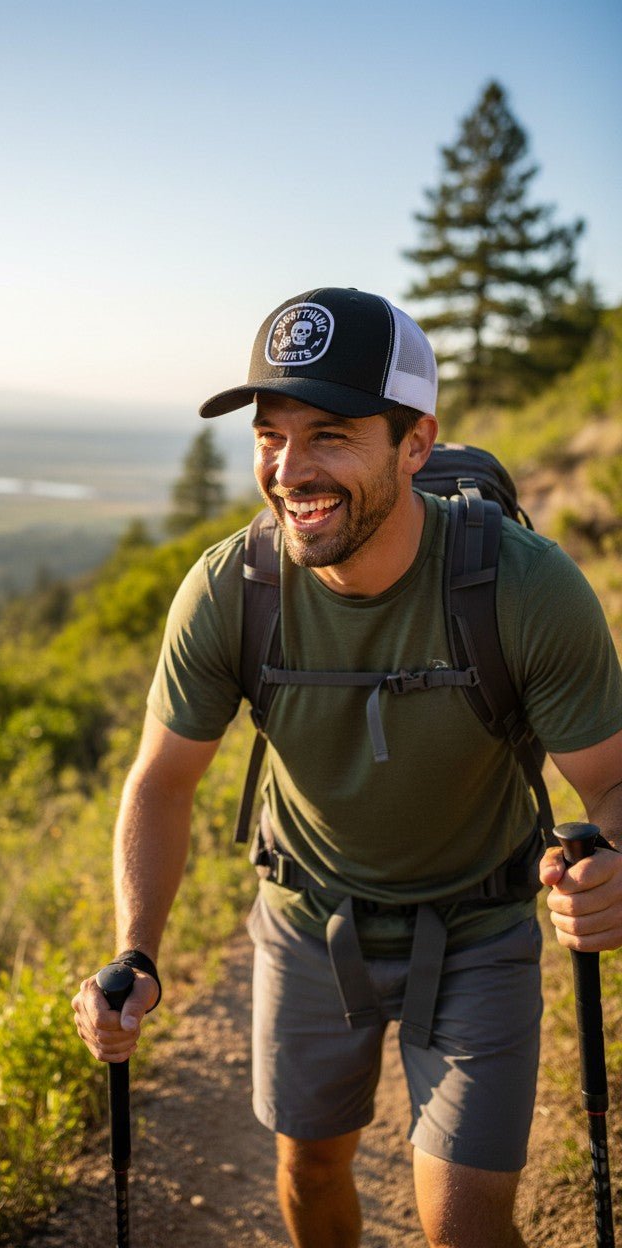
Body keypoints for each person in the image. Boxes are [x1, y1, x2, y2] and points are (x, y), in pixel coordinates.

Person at [72, 286, 622, 1248]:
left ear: (415, 444)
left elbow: (610, 778)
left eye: (330, 435)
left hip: (480, 925)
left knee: (464, 1224)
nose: (289, 470)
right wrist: (138, 954)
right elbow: (161, 781)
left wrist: (616, 857)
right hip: (306, 920)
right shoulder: (229, 590)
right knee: (311, 1169)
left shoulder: (525, 588)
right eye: (271, 435)